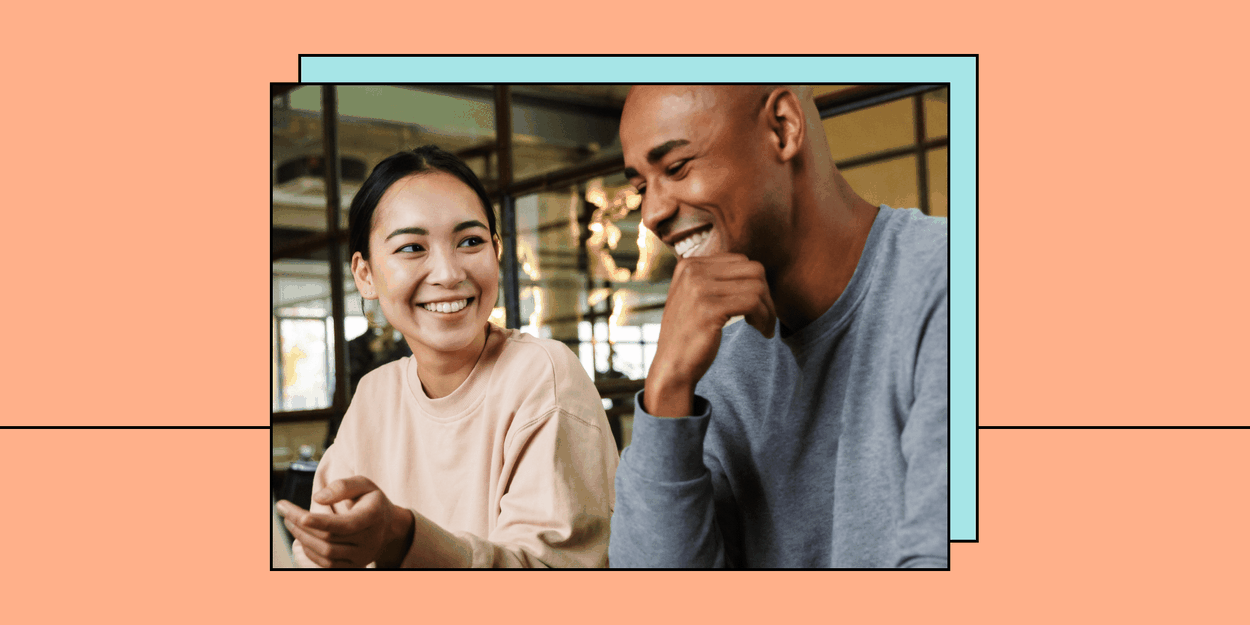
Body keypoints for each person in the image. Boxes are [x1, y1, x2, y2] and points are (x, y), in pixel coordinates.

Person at [609, 86, 948, 568]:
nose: (651, 215)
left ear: (783, 128)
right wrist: (666, 391)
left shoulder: (950, 286)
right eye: (642, 187)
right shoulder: (714, 370)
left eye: (677, 167)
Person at [276, 145, 619, 568]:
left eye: (470, 241)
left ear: (496, 252)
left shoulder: (542, 374)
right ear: (365, 275)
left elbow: (551, 575)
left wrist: (404, 539)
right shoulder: (375, 394)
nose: (449, 274)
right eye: (412, 248)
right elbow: (319, 556)